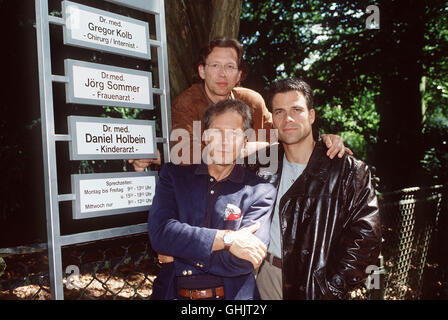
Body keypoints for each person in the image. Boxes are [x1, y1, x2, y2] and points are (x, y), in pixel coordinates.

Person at [129, 37, 350, 169]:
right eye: (215, 66)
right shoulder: (187, 102)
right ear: (202, 71)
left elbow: (285, 134)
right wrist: (245, 147)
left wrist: (323, 142)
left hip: (252, 188)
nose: (222, 74)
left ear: (239, 74)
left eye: (230, 67)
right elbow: (186, 155)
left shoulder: (251, 100)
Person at [255, 78, 382, 300]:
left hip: (315, 287)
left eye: (297, 109)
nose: (288, 119)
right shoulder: (261, 164)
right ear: (272, 119)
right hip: (266, 278)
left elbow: (366, 239)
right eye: (279, 112)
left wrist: (333, 287)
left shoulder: (348, 171)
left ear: (311, 115)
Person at [147, 99, 277, 300]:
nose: (225, 140)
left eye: (234, 133)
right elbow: (160, 234)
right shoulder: (174, 176)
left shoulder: (260, 191)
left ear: (245, 140)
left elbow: (244, 261)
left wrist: (178, 254)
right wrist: (229, 240)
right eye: (217, 132)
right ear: (206, 136)